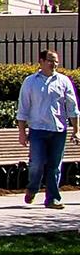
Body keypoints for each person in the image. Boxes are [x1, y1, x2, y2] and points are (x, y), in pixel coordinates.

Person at [17, 49, 80, 209]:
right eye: (50, 60)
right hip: (37, 130)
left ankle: (53, 198)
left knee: (54, 166)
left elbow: (72, 107)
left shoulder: (64, 81)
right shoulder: (30, 82)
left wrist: (76, 130)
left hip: (58, 130)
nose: (54, 64)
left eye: (56, 61)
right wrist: (22, 133)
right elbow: (23, 108)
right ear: (41, 61)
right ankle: (32, 188)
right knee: (37, 163)